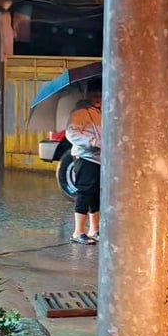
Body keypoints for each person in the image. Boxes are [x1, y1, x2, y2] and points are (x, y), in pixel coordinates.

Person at [65, 80, 102, 245]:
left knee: (96, 194)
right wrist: (92, 141)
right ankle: (78, 231)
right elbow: (71, 133)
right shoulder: (80, 112)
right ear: (87, 95)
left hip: (99, 159)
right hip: (85, 157)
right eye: (94, 94)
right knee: (85, 192)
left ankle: (94, 230)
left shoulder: (100, 111)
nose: (98, 97)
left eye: (100, 94)